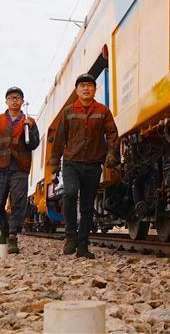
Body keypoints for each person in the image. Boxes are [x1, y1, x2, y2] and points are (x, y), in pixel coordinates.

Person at [49, 73, 119, 259]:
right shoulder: (68, 112)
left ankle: (83, 246)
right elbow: (59, 138)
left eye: (89, 85)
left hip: (93, 164)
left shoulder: (103, 111)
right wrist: (55, 163)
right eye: (82, 86)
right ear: (77, 90)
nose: (86, 88)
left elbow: (112, 133)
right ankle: (70, 236)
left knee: (87, 205)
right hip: (71, 162)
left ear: (95, 89)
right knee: (70, 193)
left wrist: (112, 153)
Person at [0, 86, 40, 253]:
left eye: (17, 98)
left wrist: (29, 129)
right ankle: (4, 228)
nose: (14, 100)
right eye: (11, 98)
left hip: (20, 167)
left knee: (18, 203)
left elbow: (34, 144)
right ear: (6, 101)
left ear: (22, 101)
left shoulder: (29, 121)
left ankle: (12, 236)